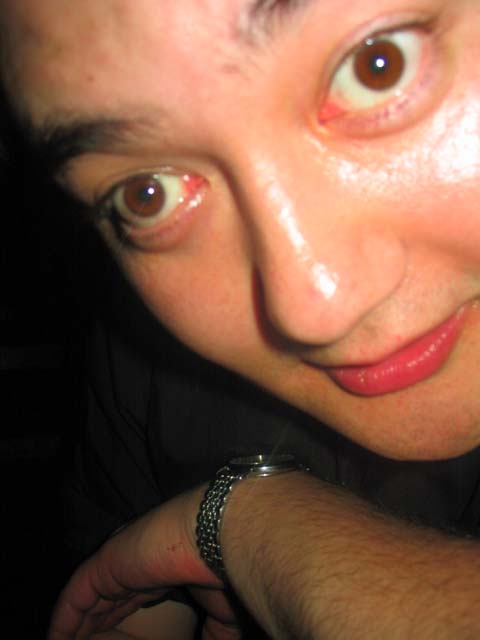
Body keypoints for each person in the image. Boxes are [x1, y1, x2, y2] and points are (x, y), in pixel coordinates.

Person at [2, 0, 480, 637]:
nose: (313, 308)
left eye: (378, 65)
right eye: (148, 194)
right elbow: (135, 591)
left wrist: (258, 529)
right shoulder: (146, 363)